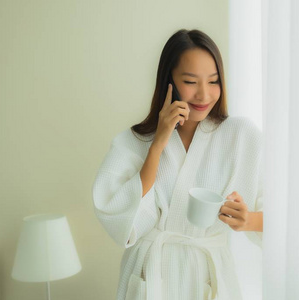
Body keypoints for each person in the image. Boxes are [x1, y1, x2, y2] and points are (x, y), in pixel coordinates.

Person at [93, 29, 264, 300]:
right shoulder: (134, 141)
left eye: (213, 81)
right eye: (190, 81)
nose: (204, 94)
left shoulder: (242, 136)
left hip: (208, 274)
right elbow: (114, 212)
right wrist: (158, 143)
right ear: (168, 80)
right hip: (150, 272)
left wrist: (248, 220)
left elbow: (286, 219)